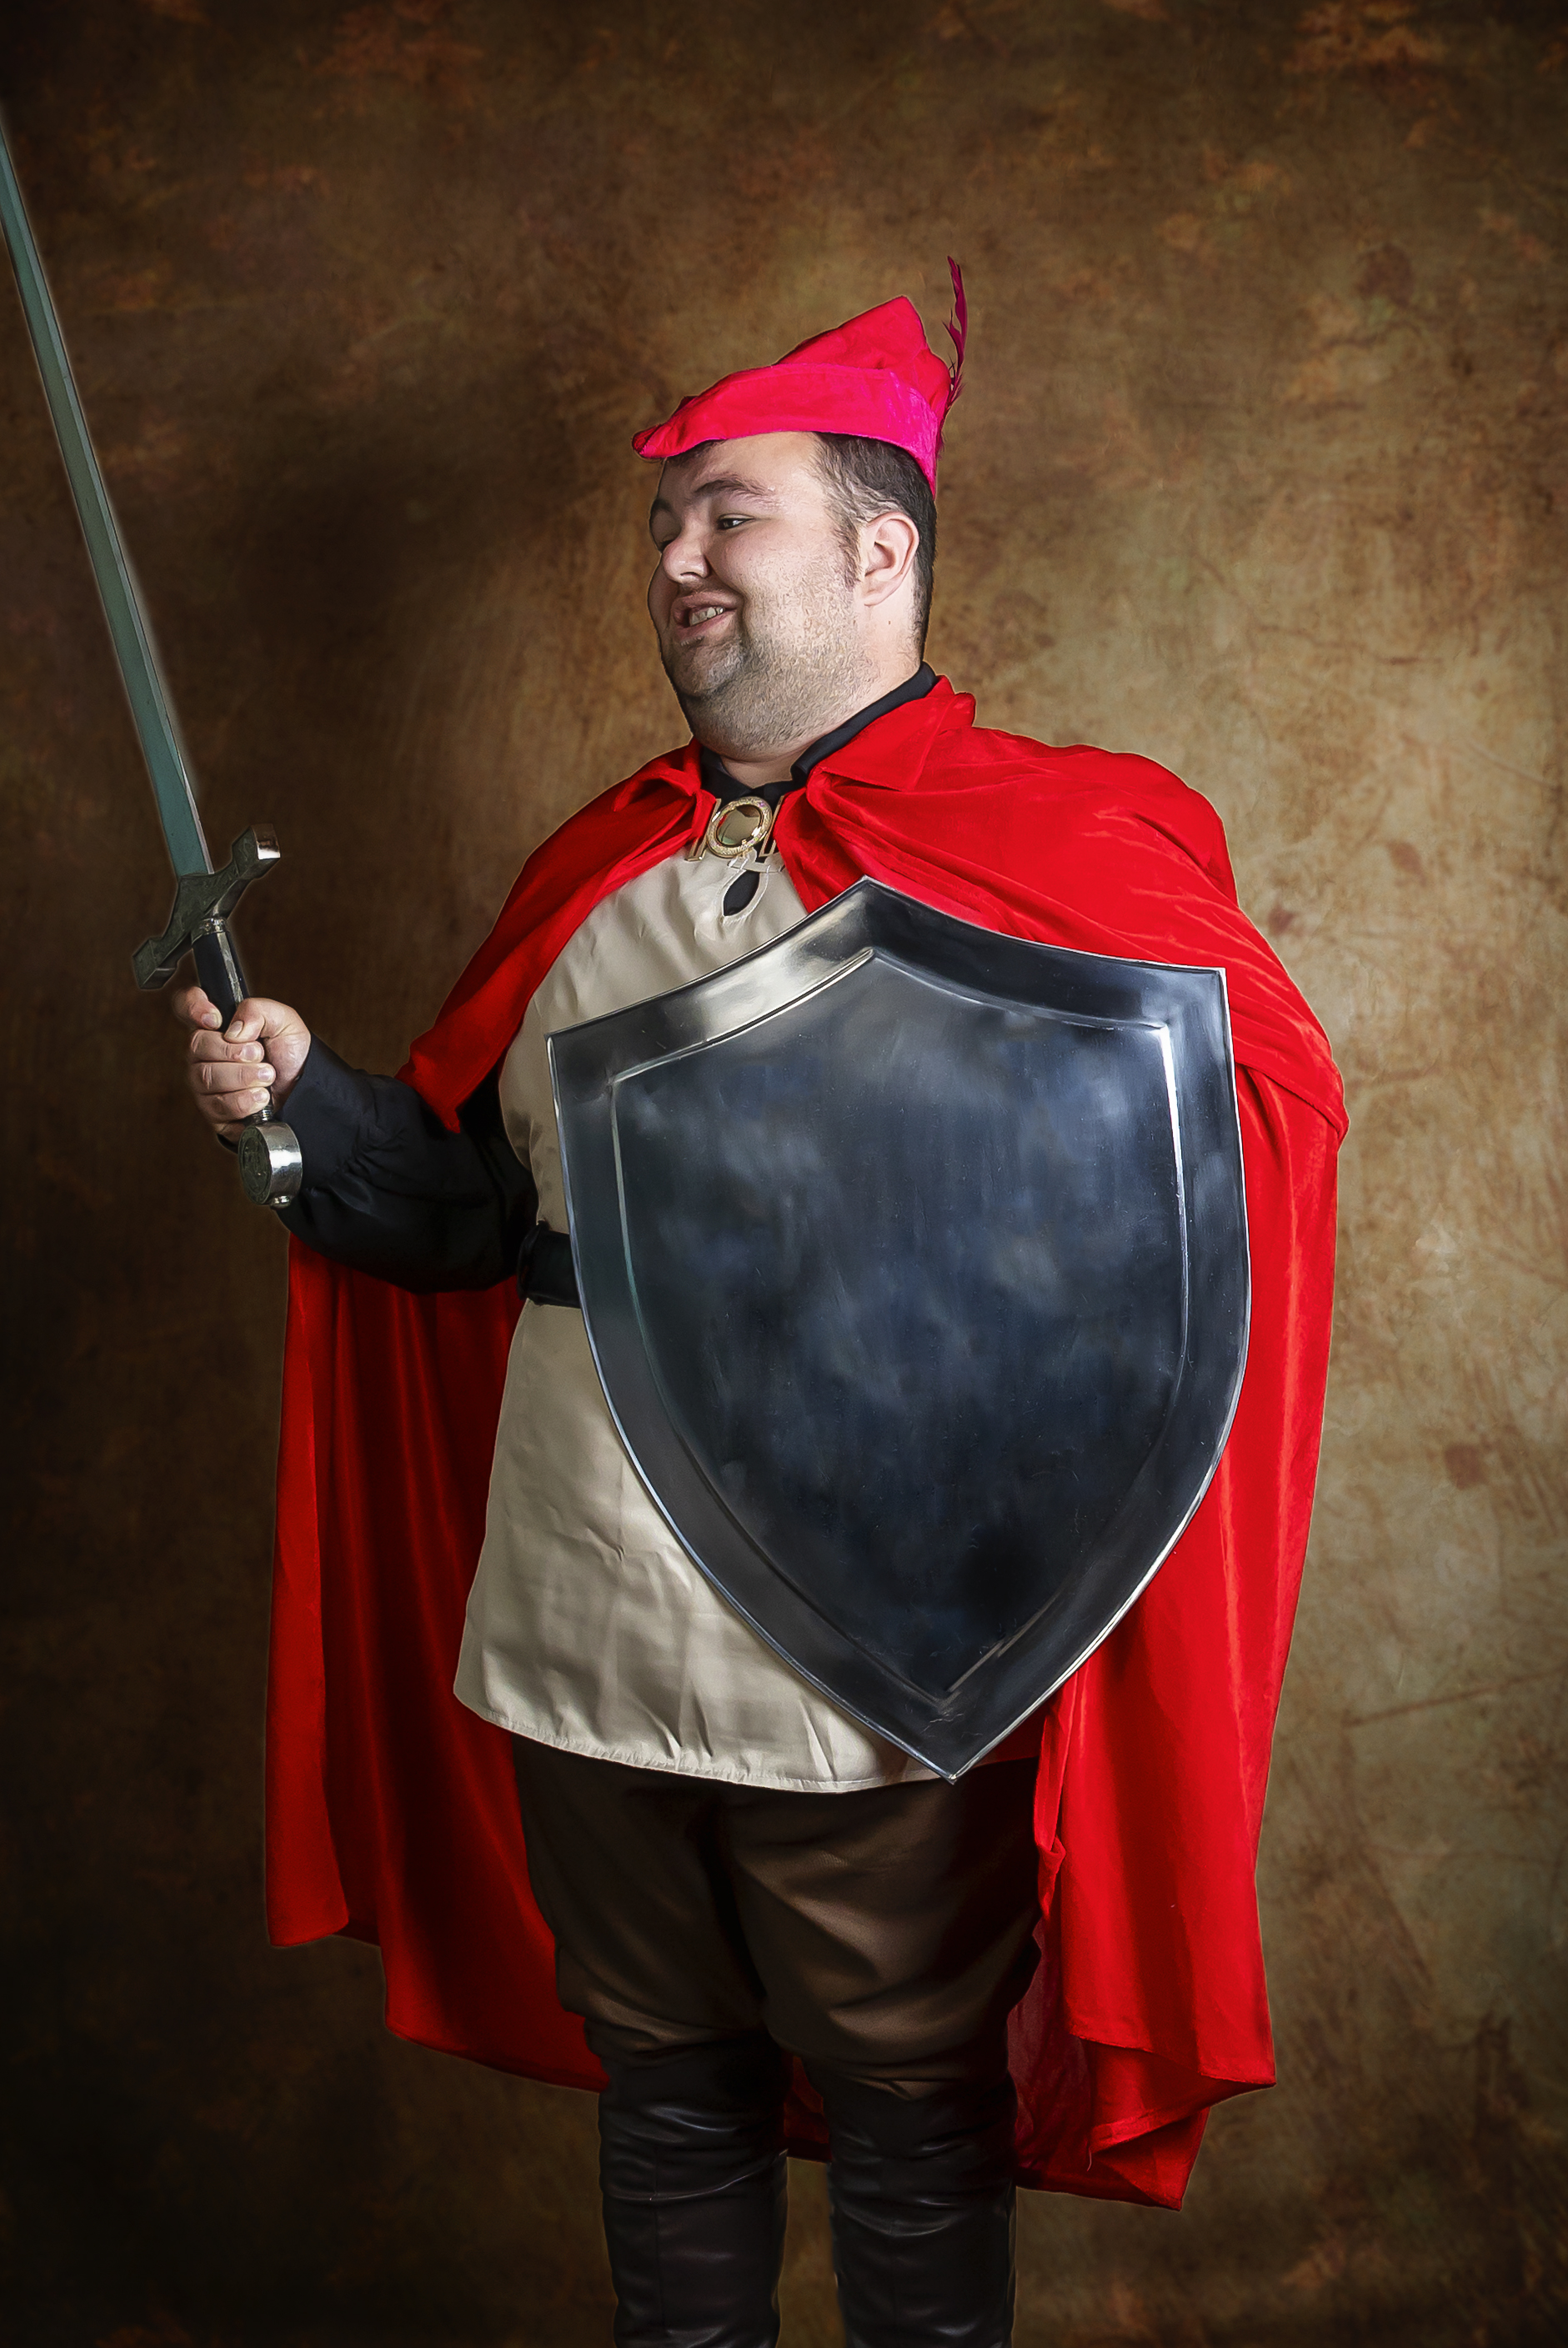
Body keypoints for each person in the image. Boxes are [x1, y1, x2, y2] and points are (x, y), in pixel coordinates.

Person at [174, 281, 1344, 2348]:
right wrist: (311, 1097)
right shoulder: (599, 864)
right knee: (666, 2071)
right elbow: (473, 1212)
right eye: (661, 529)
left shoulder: (1050, 848)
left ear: (878, 549)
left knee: (906, 2089)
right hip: (574, 1606)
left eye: (729, 515)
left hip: (879, 1611)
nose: (678, 562)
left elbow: (1230, 1140)